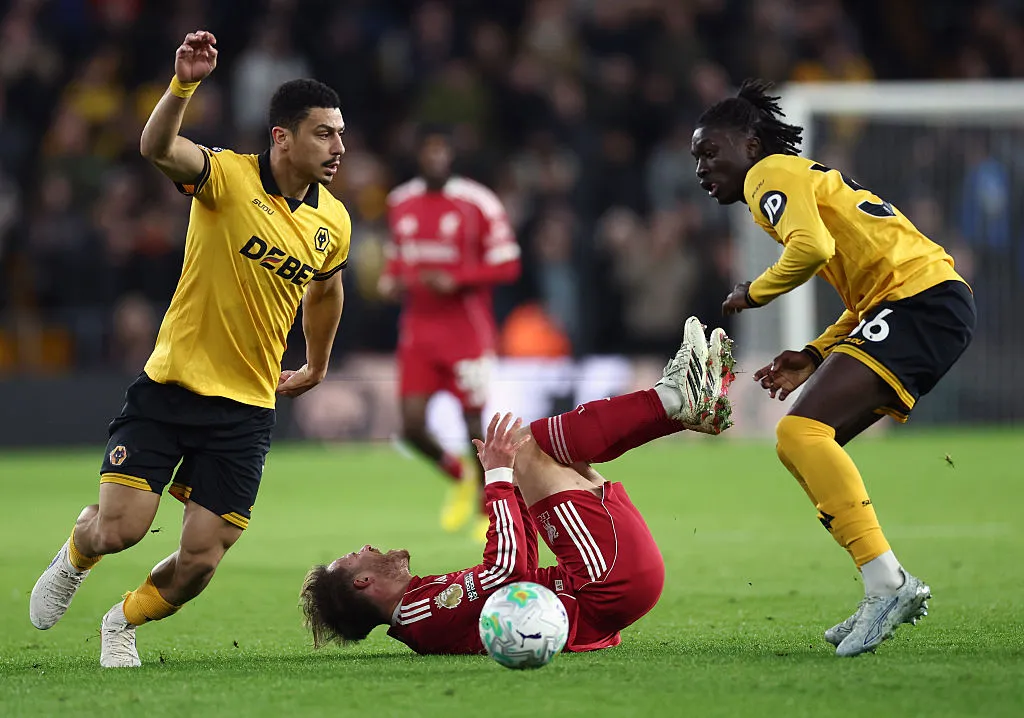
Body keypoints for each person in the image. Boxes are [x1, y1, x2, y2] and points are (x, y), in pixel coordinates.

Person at [29, 31, 352, 668]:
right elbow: (155, 148)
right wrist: (183, 84)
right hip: (172, 387)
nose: (338, 147)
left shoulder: (333, 221)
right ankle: (76, 553)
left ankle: (121, 621)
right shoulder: (227, 177)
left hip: (247, 408)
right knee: (120, 529)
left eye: (341, 134)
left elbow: (327, 290)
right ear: (282, 137)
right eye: (323, 134)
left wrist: (317, 365)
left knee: (202, 559)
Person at [691, 79, 976, 657]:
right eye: (695, 157)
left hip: (920, 300)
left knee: (801, 431)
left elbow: (811, 250)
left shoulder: (769, 175)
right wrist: (816, 353)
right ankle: (882, 582)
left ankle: (889, 583)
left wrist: (755, 292)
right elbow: (860, 288)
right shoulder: (797, 179)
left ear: (750, 145)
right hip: (921, 301)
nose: (701, 167)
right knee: (801, 442)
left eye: (710, 150)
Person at [299, 317, 734, 655]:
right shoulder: (424, 612)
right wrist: (499, 480)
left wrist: (512, 488)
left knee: (533, 449)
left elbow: (514, 566)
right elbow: (510, 571)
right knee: (525, 448)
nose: (369, 547)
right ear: (364, 583)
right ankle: (673, 401)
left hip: (607, 588)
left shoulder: (420, 605)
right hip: (606, 585)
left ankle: (682, 408)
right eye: (359, 555)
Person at [378, 127, 521, 538]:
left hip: (466, 331)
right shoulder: (399, 201)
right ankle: (460, 475)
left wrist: (457, 278)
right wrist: (391, 279)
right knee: (410, 427)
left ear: (451, 156)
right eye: (428, 151)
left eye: (442, 151)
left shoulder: (477, 201)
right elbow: (397, 258)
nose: (435, 159)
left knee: (474, 424)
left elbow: (508, 263)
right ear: (419, 155)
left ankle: (487, 507)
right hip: (418, 332)